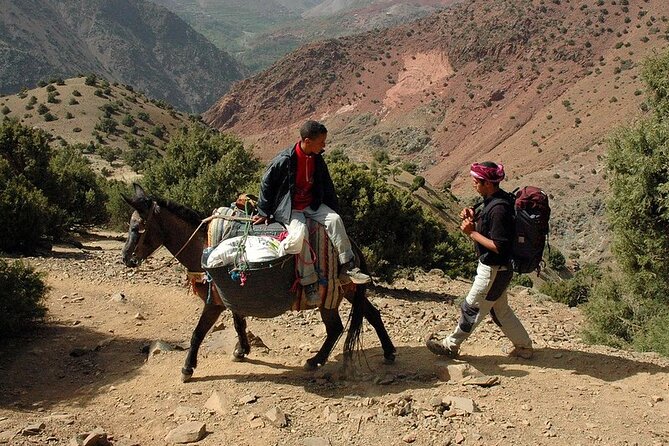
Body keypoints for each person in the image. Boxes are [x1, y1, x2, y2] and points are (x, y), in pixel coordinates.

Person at [252, 120, 370, 305]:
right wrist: (264, 212)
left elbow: (327, 185)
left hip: (312, 205)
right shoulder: (284, 160)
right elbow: (266, 184)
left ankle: (348, 266)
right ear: (307, 141)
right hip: (291, 208)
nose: (324, 145)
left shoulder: (317, 158)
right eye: (321, 142)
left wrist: (332, 207)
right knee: (300, 235)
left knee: (335, 220)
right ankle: (309, 283)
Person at [425, 161, 534, 359]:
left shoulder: (498, 208)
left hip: (493, 269)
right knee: (500, 310)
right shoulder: (496, 200)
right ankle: (524, 347)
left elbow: (499, 246)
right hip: (499, 270)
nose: (473, 184)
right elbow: (492, 228)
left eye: (476, 181)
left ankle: (451, 346)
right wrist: (474, 218)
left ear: (488, 183)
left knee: (471, 307)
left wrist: (471, 232)